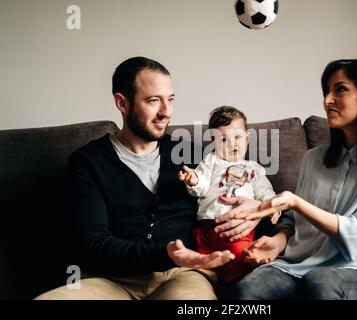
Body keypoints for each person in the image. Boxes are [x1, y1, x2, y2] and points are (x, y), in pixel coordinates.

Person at [35, 57, 261, 300]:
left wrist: (257, 208)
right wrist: (166, 254)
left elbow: (256, 188)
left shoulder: (193, 154)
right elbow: (93, 241)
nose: (166, 112)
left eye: (170, 100)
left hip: (182, 276)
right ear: (122, 103)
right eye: (154, 101)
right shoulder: (88, 162)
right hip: (110, 280)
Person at [227, 58, 357, 300]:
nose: (327, 100)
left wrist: (296, 202)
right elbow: (293, 222)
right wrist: (278, 241)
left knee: (320, 283)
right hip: (294, 267)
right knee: (246, 290)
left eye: (340, 89)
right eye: (326, 91)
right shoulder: (313, 158)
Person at [167, 106, 279, 283]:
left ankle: (235, 288)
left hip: (239, 229)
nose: (232, 144)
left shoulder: (254, 168)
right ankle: (211, 284)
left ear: (247, 139)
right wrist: (194, 179)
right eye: (223, 140)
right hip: (206, 228)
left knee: (239, 258)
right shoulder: (212, 160)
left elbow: (264, 191)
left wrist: (271, 205)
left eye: (237, 137)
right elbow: (202, 183)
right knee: (202, 265)